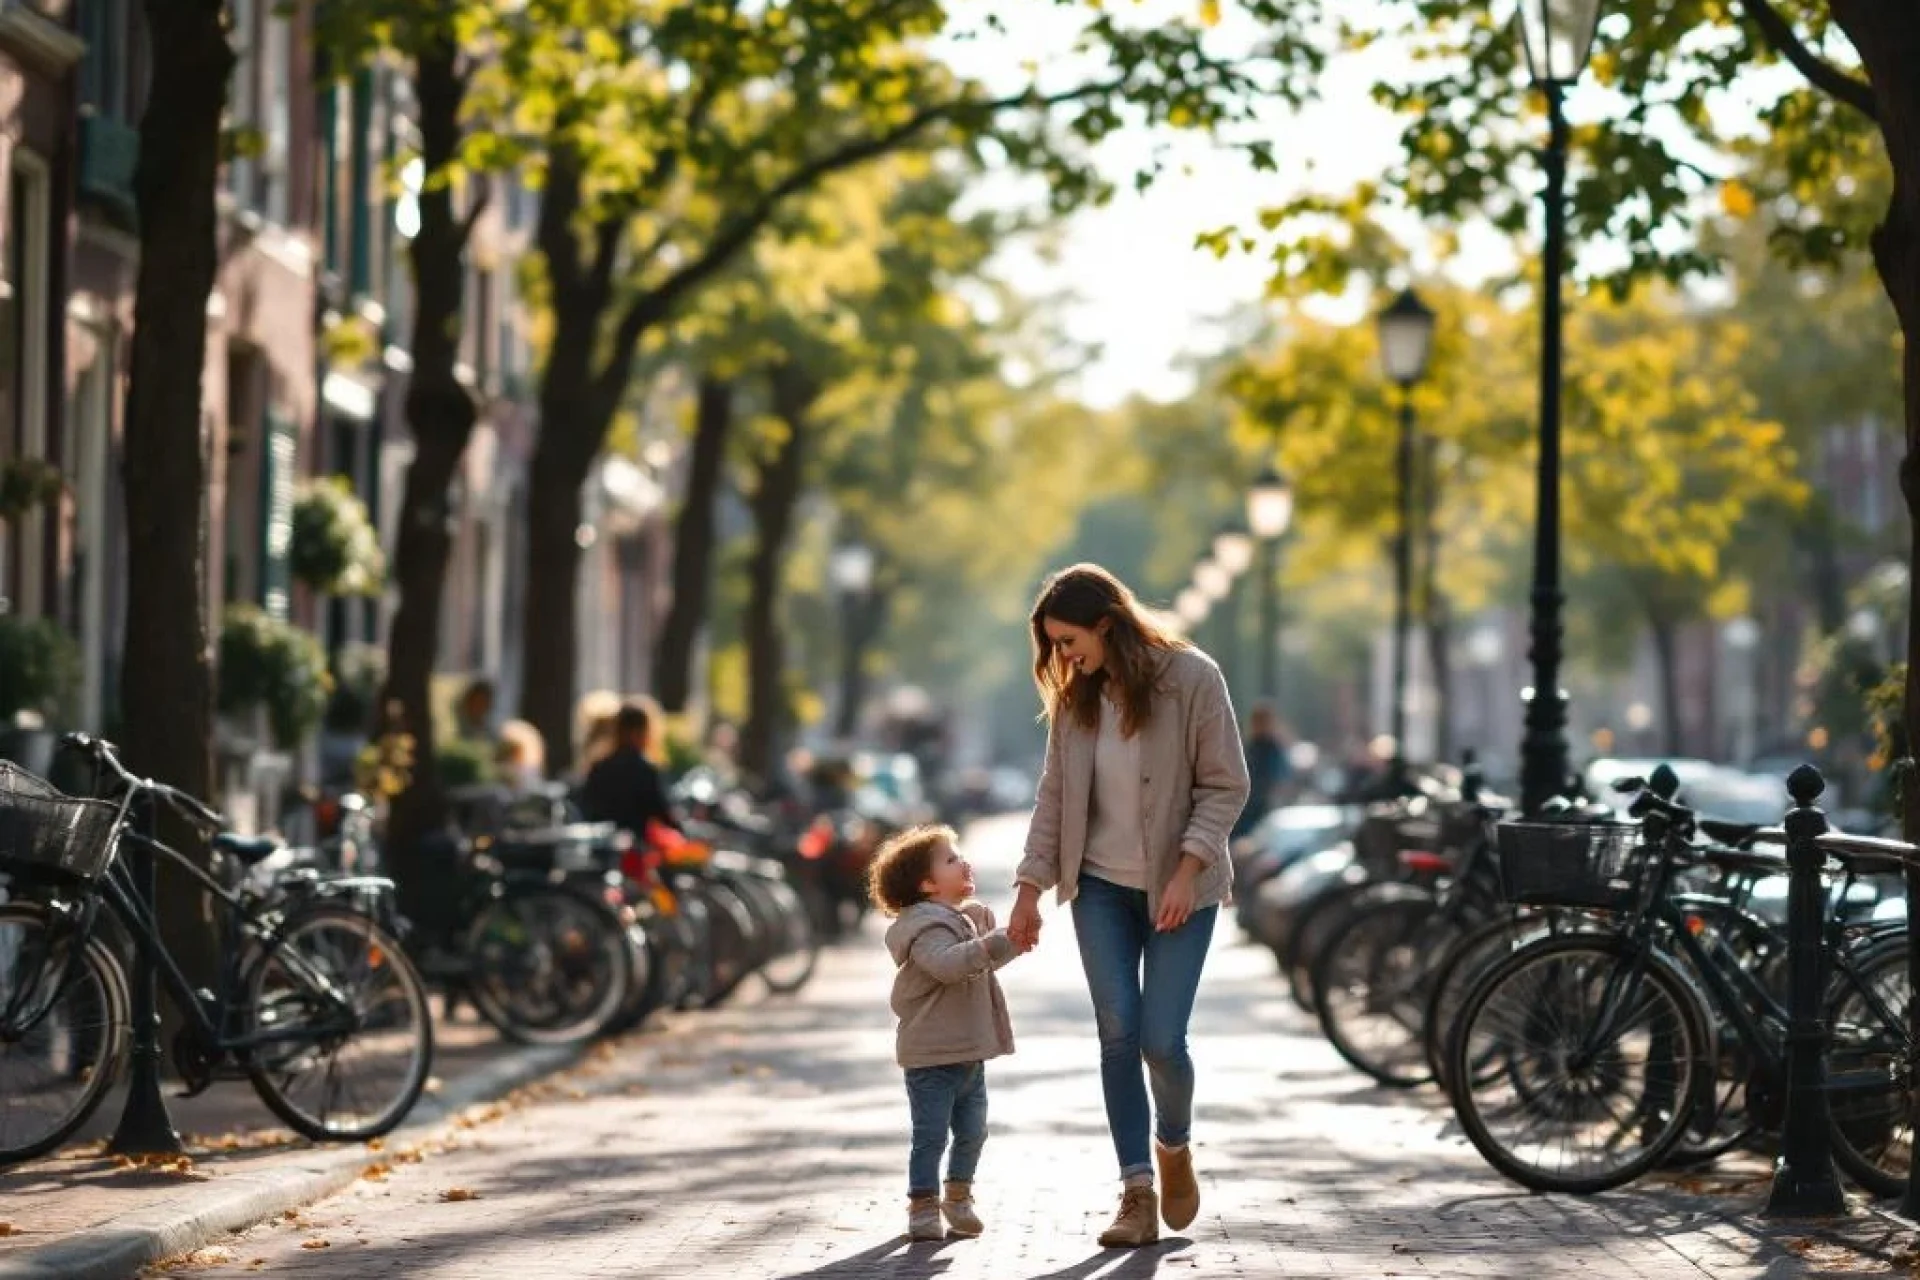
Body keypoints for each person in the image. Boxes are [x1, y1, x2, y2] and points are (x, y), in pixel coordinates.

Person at [1008, 563, 1250, 1248]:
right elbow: (1054, 799)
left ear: (1105, 624)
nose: (1061, 656)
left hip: (1182, 890)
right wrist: (1027, 892)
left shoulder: (1194, 678)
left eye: (1067, 640)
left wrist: (1187, 868)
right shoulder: (1075, 698)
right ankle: (1136, 1191)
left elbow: (1226, 786)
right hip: (1101, 891)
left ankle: (1173, 1144)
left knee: (1161, 1042)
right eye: (1052, 645)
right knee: (1118, 1033)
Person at [870, 824, 1026, 1242]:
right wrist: (990, 942)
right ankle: (922, 1207)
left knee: (974, 1131)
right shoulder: (924, 927)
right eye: (951, 859)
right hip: (932, 1058)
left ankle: (958, 1197)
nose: (964, 862)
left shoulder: (957, 920)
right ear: (927, 883)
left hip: (968, 1054)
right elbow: (948, 965)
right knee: (931, 1136)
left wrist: (1012, 940)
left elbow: (981, 966)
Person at [577, 701, 680, 839]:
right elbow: (662, 813)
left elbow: (586, 808)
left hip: (602, 847)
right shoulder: (645, 770)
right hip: (634, 852)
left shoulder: (599, 767)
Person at [1235, 701, 1291, 838]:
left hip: (1263, 811)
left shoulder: (1273, 749)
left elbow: (1281, 781)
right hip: (1246, 808)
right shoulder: (1250, 747)